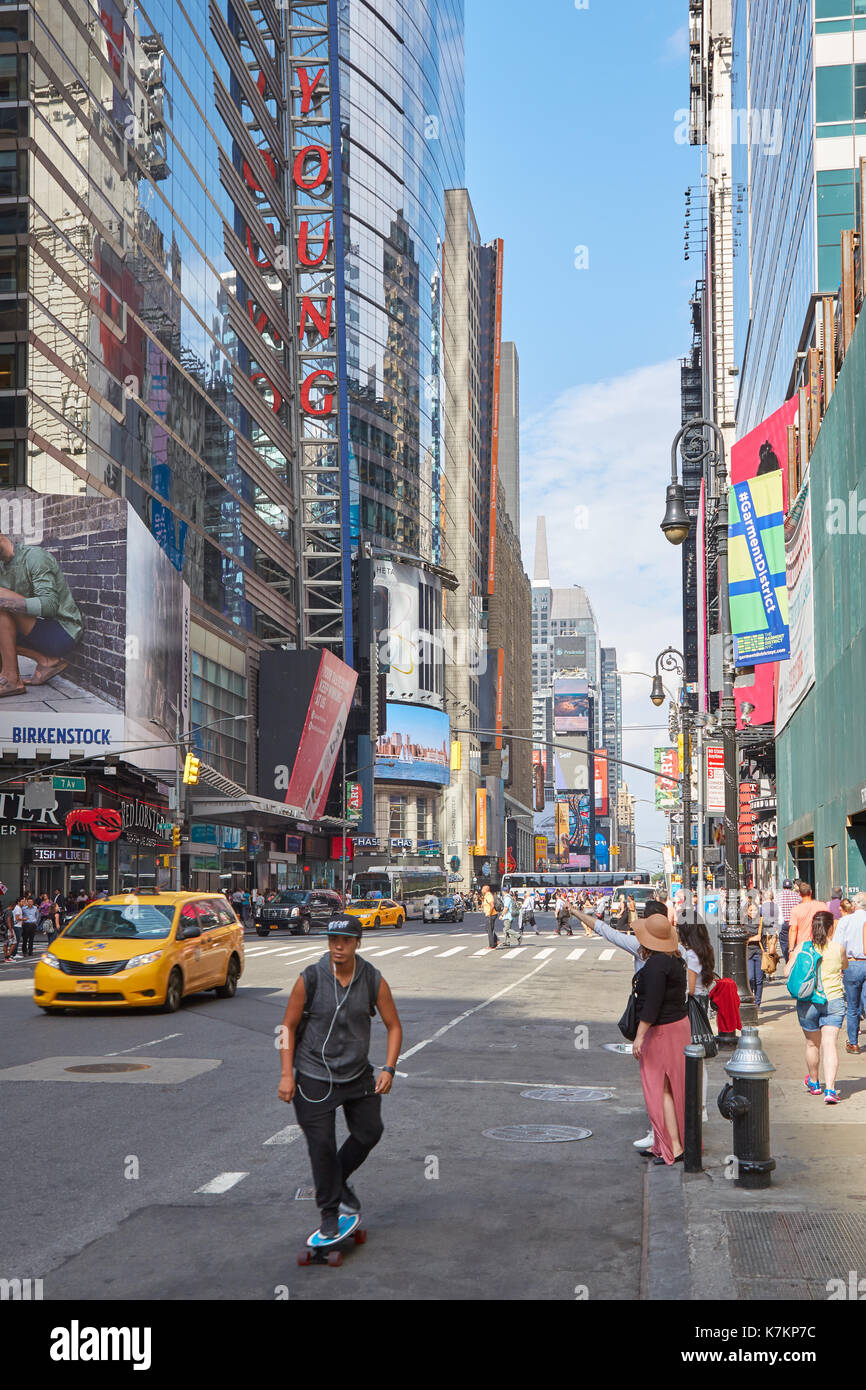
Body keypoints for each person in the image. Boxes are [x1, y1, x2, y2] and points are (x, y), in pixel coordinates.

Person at [277, 916, 402, 1243]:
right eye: (333, 939)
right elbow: (286, 1027)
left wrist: (388, 1068)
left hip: (357, 1074)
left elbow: (394, 1026)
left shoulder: (372, 979)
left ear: (358, 942)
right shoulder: (311, 978)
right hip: (314, 1078)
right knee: (322, 1146)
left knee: (369, 1132)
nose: (338, 946)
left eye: (345, 940)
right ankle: (329, 1214)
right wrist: (286, 1075)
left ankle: (339, 1176)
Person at [632, 912, 690, 1165]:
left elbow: (652, 1006)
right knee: (673, 1088)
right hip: (678, 1027)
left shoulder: (656, 966)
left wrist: (639, 1037)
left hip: (662, 1031)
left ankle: (673, 1146)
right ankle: (668, 1143)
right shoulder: (674, 961)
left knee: (660, 1090)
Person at [0, 531, 85, 695]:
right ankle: (45, 661)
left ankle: (12, 680)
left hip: (61, 632)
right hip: (35, 631)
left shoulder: (35, 557)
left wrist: (5, 602)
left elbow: (50, 605)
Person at [792, 910, 848, 1104]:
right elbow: (845, 966)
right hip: (833, 1000)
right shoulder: (838, 948)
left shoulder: (803, 948)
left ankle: (814, 1083)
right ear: (831, 927)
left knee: (812, 1044)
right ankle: (831, 1090)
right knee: (830, 1045)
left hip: (808, 1002)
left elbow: (788, 970)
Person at [678, 918, 715, 1121]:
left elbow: (690, 989)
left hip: (693, 1004)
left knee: (693, 1055)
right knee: (698, 1056)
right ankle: (700, 1106)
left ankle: (699, 1107)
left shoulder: (691, 955)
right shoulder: (706, 951)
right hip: (703, 1001)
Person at [835, 892, 866, 1055]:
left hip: (852, 963)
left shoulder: (845, 921)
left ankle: (853, 1043)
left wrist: (839, 967)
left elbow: (838, 946)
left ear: (854, 905)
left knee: (852, 1007)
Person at [789, 881, 828, 955]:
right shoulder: (822, 906)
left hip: (803, 947)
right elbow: (828, 925)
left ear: (799, 894)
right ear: (811, 892)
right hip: (820, 945)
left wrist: (791, 950)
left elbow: (793, 930)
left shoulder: (796, 909)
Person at [745, 899, 766, 1010]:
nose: (753, 912)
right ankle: (751, 998)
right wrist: (753, 938)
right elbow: (744, 939)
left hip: (759, 952)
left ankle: (757, 1003)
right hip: (748, 952)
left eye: (755, 910)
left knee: (759, 979)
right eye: (750, 910)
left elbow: (765, 937)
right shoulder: (744, 922)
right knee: (750, 978)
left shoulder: (761, 921)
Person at [777, 878, 798, 964]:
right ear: (791, 886)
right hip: (793, 923)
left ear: (783, 887)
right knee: (794, 941)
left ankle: (787, 959)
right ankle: (793, 958)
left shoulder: (778, 896)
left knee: (784, 942)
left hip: (783, 923)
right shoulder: (796, 896)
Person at [481, 883, 498, 950]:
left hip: (491, 914)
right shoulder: (486, 895)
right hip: (490, 914)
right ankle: (496, 941)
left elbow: (492, 905)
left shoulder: (488, 895)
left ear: (485, 889)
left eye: (482, 889)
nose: (481, 890)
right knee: (488, 929)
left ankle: (492, 945)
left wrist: (490, 914)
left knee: (489, 930)